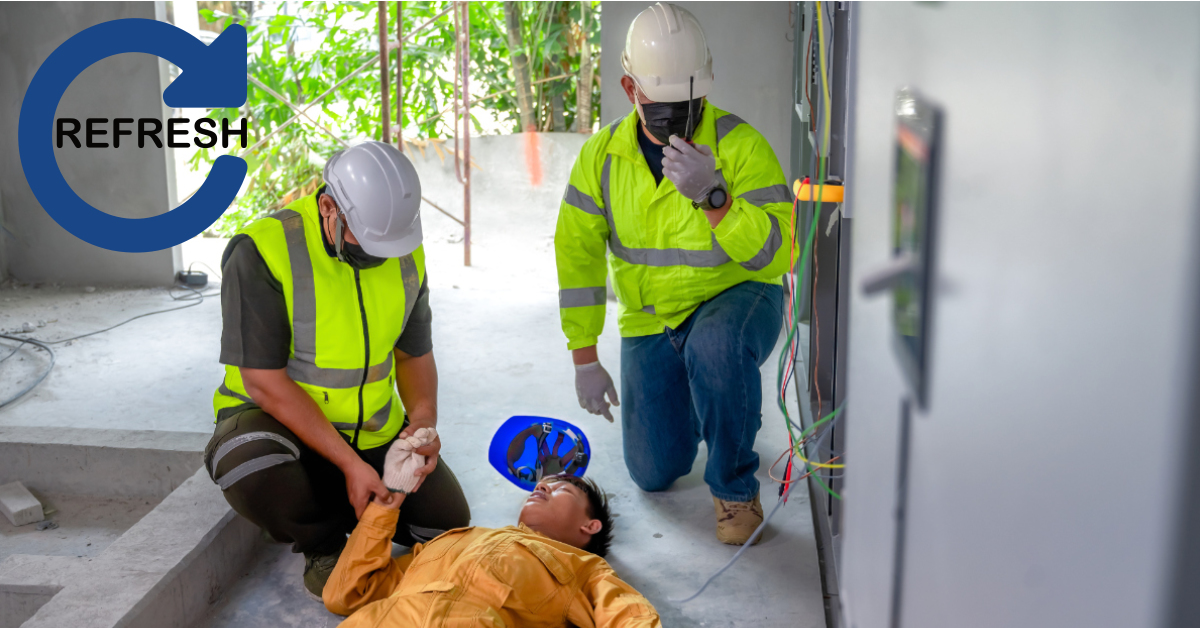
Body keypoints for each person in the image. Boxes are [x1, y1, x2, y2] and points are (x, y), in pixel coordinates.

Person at [555, 3, 791, 545]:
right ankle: (715, 400)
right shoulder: (602, 158)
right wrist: (583, 356)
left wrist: (716, 198)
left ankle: (734, 490)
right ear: (630, 88)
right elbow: (577, 256)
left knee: (714, 345)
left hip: (737, 300)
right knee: (653, 473)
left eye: (688, 103)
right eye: (661, 104)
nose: (676, 116)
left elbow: (779, 255)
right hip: (652, 320)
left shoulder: (741, 146)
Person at [204, 141, 470, 597]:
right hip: (281, 428)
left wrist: (422, 425)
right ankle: (323, 545)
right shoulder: (262, 251)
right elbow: (263, 383)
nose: (377, 256)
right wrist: (349, 464)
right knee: (249, 458)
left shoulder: (404, 250)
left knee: (447, 524)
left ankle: (355, 502)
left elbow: (413, 354)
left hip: (372, 433)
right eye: (365, 242)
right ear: (329, 206)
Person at [323, 474, 661, 627]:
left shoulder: (584, 566)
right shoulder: (453, 539)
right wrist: (385, 505)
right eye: (544, 482)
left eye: (563, 489)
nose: (542, 484)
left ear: (590, 526)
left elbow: (628, 616)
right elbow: (347, 592)